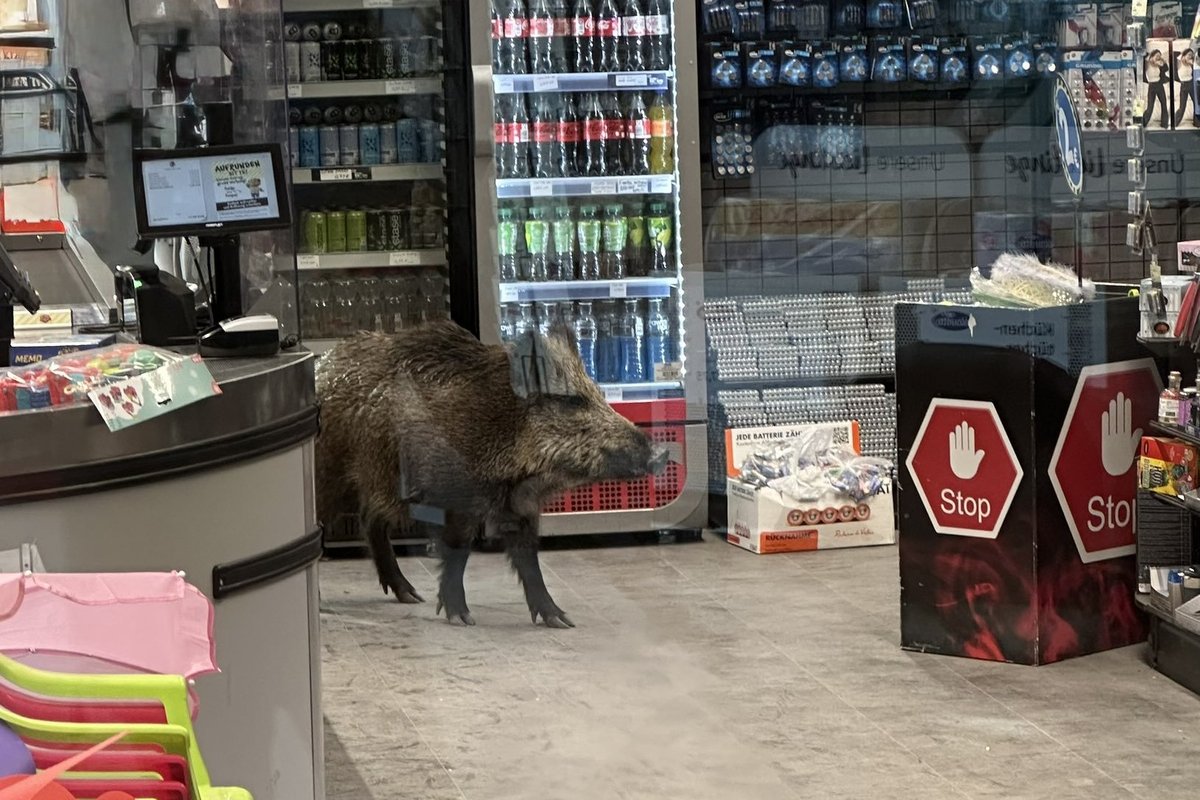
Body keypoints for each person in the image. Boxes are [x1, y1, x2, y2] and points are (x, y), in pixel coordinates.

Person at [1145, 48, 1171, 128]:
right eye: (1157, 55)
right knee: (1150, 107)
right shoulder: (1147, 64)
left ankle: (1164, 124)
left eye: (1159, 56)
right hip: (1152, 86)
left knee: (1164, 104)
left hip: (1159, 85)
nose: (1158, 57)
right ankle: (1143, 122)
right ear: (1152, 56)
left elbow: (1166, 69)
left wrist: (1163, 62)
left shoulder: (1159, 65)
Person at [1175, 48, 1195, 128]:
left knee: (1196, 103)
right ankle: (1175, 122)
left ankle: (1197, 122)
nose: (1190, 56)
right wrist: (1184, 55)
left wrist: (1191, 60)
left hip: (1191, 83)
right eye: (1189, 55)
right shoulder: (1180, 62)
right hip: (1183, 85)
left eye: (1191, 55)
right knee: (1182, 106)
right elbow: (1179, 57)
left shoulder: (1191, 62)